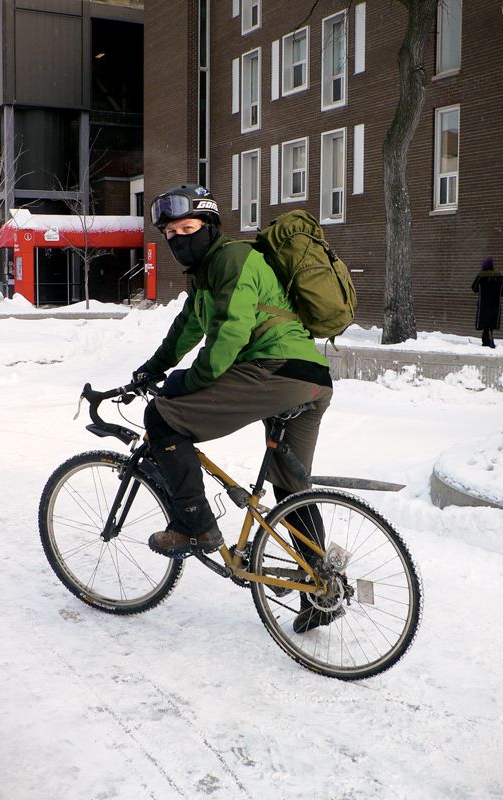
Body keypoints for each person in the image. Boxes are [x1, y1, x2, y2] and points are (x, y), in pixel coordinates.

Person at [134, 183, 333, 632]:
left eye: (189, 227)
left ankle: (195, 527)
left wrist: (191, 379)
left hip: (275, 371)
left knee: (162, 417)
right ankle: (322, 585)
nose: (179, 238)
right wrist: (154, 367)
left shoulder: (232, 260)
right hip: (311, 382)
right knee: (290, 486)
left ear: (210, 226)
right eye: (171, 232)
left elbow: (229, 334)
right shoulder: (206, 274)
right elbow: (187, 328)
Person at [471, 257, 503, 348]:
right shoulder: (499, 277)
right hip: (495, 305)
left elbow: (474, 288)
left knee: (485, 326)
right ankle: (490, 340)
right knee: (491, 324)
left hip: (483, 306)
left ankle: (486, 342)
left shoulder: (481, 276)